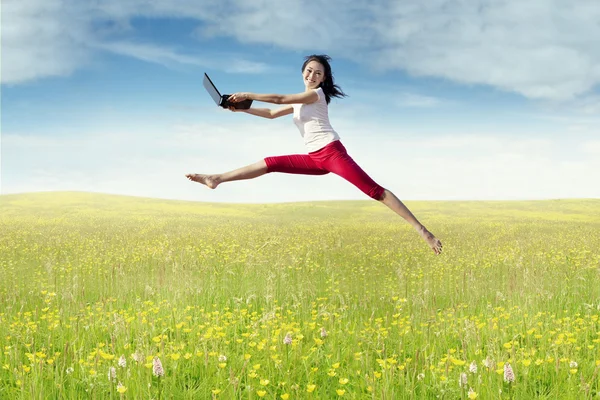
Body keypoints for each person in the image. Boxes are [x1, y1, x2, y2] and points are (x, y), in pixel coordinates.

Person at [186, 55, 443, 255]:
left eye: (317, 73)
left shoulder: (314, 95)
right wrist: (241, 110)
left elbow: (277, 98)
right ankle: (216, 178)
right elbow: (273, 113)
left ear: (322, 79)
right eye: (309, 70)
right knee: (270, 163)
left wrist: (248, 94)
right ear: (303, 72)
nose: (312, 75)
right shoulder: (300, 100)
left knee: (375, 192)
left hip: (331, 154)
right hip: (314, 158)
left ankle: (423, 232)